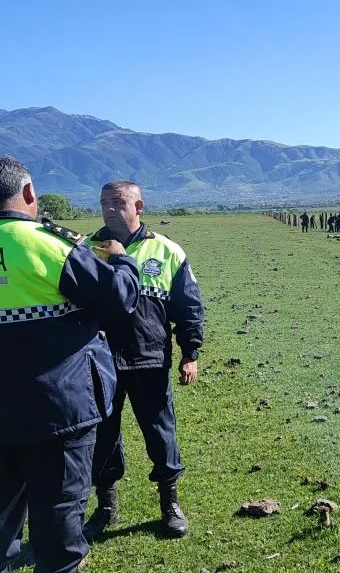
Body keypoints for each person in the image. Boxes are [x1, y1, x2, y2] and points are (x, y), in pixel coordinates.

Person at [0, 156, 139, 573]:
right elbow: (120, 300)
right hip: (56, 413)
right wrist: (121, 258)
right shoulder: (47, 245)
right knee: (59, 528)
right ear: (28, 194)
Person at [85, 181, 206, 540]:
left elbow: (189, 307)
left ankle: (170, 504)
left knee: (160, 433)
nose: (109, 208)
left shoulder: (166, 250)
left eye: (118, 202)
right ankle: (106, 507)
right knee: (102, 436)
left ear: (139, 206)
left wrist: (190, 353)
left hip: (149, 359)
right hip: (100, 361)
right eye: (104, 202)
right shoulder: (88, 250)